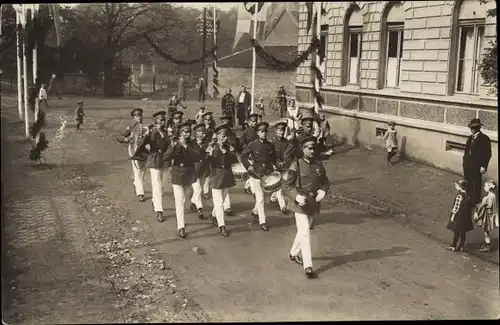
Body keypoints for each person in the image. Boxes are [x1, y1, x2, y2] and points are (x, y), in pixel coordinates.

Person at [282, 135, 329, 278]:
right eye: (309, 148)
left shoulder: (319, 165)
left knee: (303, 231)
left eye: (314, 148)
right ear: (303, 149)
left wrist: (323, 190)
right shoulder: (295, 165)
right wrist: (296, 196)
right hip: (299, 203)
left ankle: (293, 252)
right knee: (305, 233)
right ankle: (308, 266)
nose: (313, 150)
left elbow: (325, 181)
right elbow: (286, 186)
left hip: (313, 202)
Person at [164, 122, 202, 238]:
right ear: (180, 133)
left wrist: (186, 146)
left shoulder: (192, 143)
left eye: (188, 131)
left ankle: (194, 202)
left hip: (190, 173)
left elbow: (197, 156)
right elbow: (166, 157)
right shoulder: (174, 143)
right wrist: (174, 145)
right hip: (177, 174)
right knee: (179, 201)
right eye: (184, 132)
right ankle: (181, 227)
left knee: (195, 191)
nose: (187, 133)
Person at [240, 121, 277, 231]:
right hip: (255, 173)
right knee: (260, 197)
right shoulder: (253, 144)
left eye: (265, 131)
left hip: (266, 173)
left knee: (263, 196)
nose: (264, 133)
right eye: (262, 131)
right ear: (257, 133)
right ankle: (263, 222)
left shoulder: (270, 145)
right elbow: (243, 156)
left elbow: (273, 158)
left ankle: (255, 211)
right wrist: (248, 166)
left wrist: (274, 166)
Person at [206, 124, 240, 237]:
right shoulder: (212, 146)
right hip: (216, 175)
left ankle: (213, 216)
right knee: (219, 203)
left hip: (226, 175)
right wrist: (211, 152)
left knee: (224, 198)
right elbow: (207, 161)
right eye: (223, 136)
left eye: (226, 136)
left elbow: (234, 160)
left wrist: (225, 152)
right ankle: (222, 225)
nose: (225, 138)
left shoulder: (229, 147)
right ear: (217, 135)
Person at [144, 111, 171, 222]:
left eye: (163, 120)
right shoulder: (151, 131)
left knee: (162, 186)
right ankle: (159, 210)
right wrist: (154, 132)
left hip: (165, 160)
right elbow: (146, 143)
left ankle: (155, 200)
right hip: (154, 160)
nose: (161, 122)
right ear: (155, 121)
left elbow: (170, 144)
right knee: (156, 185)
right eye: (159, 120)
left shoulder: (167, 132)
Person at [121, 108, 149, 202]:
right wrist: (128, 137)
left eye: (140, 115)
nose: (139, 117)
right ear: (133, 117)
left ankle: (136, 183)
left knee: (143, 172)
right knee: (137, 172)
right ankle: (140, 193)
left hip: (145, 151)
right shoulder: (131, 126)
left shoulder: (146, 126)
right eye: (136, 116)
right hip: (134, 151)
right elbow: (124, 134)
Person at [463, 118, 492, 205]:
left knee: (476, 182)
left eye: (474, 128)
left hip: (477, 165)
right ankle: (469, 197)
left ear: (478, 128)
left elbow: (487, 153)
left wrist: (484, 166)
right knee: (468, 181)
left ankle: (476, 199)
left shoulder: (484, 138)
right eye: (471, 128)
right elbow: (467, 150)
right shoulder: (470, 138)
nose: (472, 130)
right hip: (468, 164)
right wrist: (464, 161)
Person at [269, 121, 294, 214]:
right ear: (276, 131)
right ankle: (283, 206)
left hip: (284, 166)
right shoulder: (272, 143)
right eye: (279, 130)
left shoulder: (287, 142)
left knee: (285, 184)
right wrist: (273, 164)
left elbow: (289, 155)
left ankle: (273, 197)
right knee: (279, 186)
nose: (281, 132)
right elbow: (270, 155)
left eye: (283, 130)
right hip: (275, 166)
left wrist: (286, 162)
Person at [446, 180, 473, 252]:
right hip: (465, 216)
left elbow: (456, 207)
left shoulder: (459, 195)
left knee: (456, 231)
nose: (455, 187)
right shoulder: (467, 194)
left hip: (459, 216)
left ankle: (453, 245)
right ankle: (462, 246)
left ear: (460, 187)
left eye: (456, 186)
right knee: (463, 232)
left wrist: (453, 216)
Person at [473, 180, 499, 253]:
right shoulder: (493, 195)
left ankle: (488, 245)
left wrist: (483, 204)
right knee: (486, 231)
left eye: (485, 186)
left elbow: (489, 206)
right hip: (491, 215)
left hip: (488, 216)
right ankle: (488, 244)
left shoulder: (489, 197)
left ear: (489, 188)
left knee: (486, 231)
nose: (484, 187)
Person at [240, 113, 260, 195]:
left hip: (257, 152)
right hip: (249, 153)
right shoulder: (246, 131)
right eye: (252, 121)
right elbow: (241, 142)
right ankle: (252, 190)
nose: (254, 123)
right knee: (251, 170)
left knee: (253, 171)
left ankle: (247, 186)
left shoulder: (258, 131)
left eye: (255, 121)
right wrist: (244, 150)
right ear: (249, 122)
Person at [192, 123, 212, 201]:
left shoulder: (206, 142)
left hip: (205, 163)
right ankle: (196, 195)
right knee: (197, 180)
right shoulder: (192, 142)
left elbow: (209, 151)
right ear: (196, 133)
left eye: (204, 133)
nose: (203, 135)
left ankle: (206, 192)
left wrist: (208, 155)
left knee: (206, 178)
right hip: (195, 164)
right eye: (201, 133)